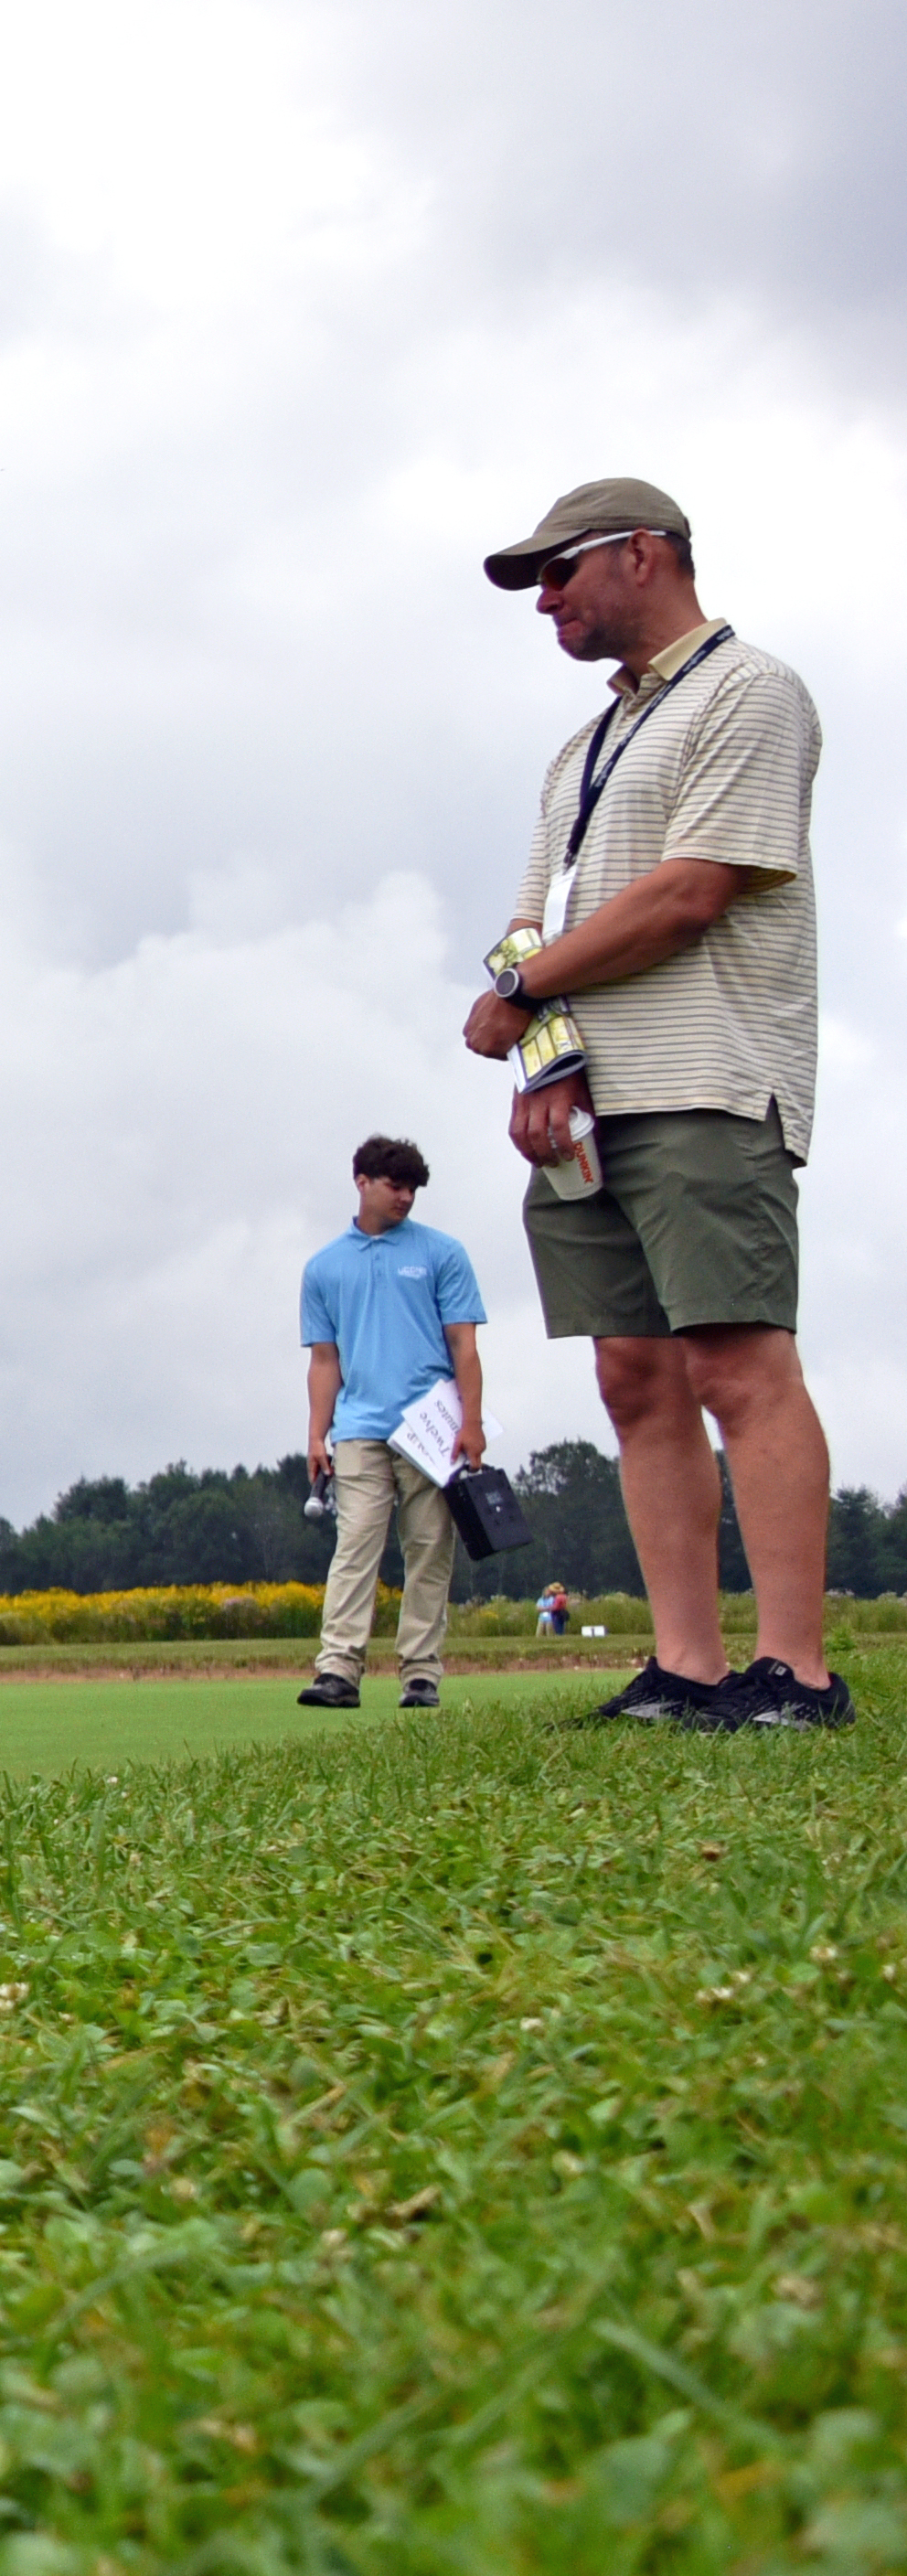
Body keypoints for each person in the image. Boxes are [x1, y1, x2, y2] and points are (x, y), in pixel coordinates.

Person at [462, 482, 840, 1726]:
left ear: (646, 553)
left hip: (707, 1077)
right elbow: (538, 923)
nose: (548, 601)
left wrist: (522, 989)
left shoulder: (751, 691)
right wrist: (545, 1061)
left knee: (736, 1359)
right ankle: (686, 1667)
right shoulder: (579, 749)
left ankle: (798, 1672)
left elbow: (690, 894)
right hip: (591, 1101)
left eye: (560, 572)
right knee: (633, 1375)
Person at [298, 1133, 487, 1713]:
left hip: (432, 1428)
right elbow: (324, 1360)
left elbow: (464, 1344)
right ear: (362, 1182)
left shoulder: (442, 1253)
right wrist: (315, 1433)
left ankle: (421, 1675)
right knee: (354, 1547)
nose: (405, 1197)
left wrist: (472, 1422)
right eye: (394, 1186)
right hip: (358, 1429)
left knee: (430, 1550)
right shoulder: (324, 1267)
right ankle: (338, 1670)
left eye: (412, 1189)